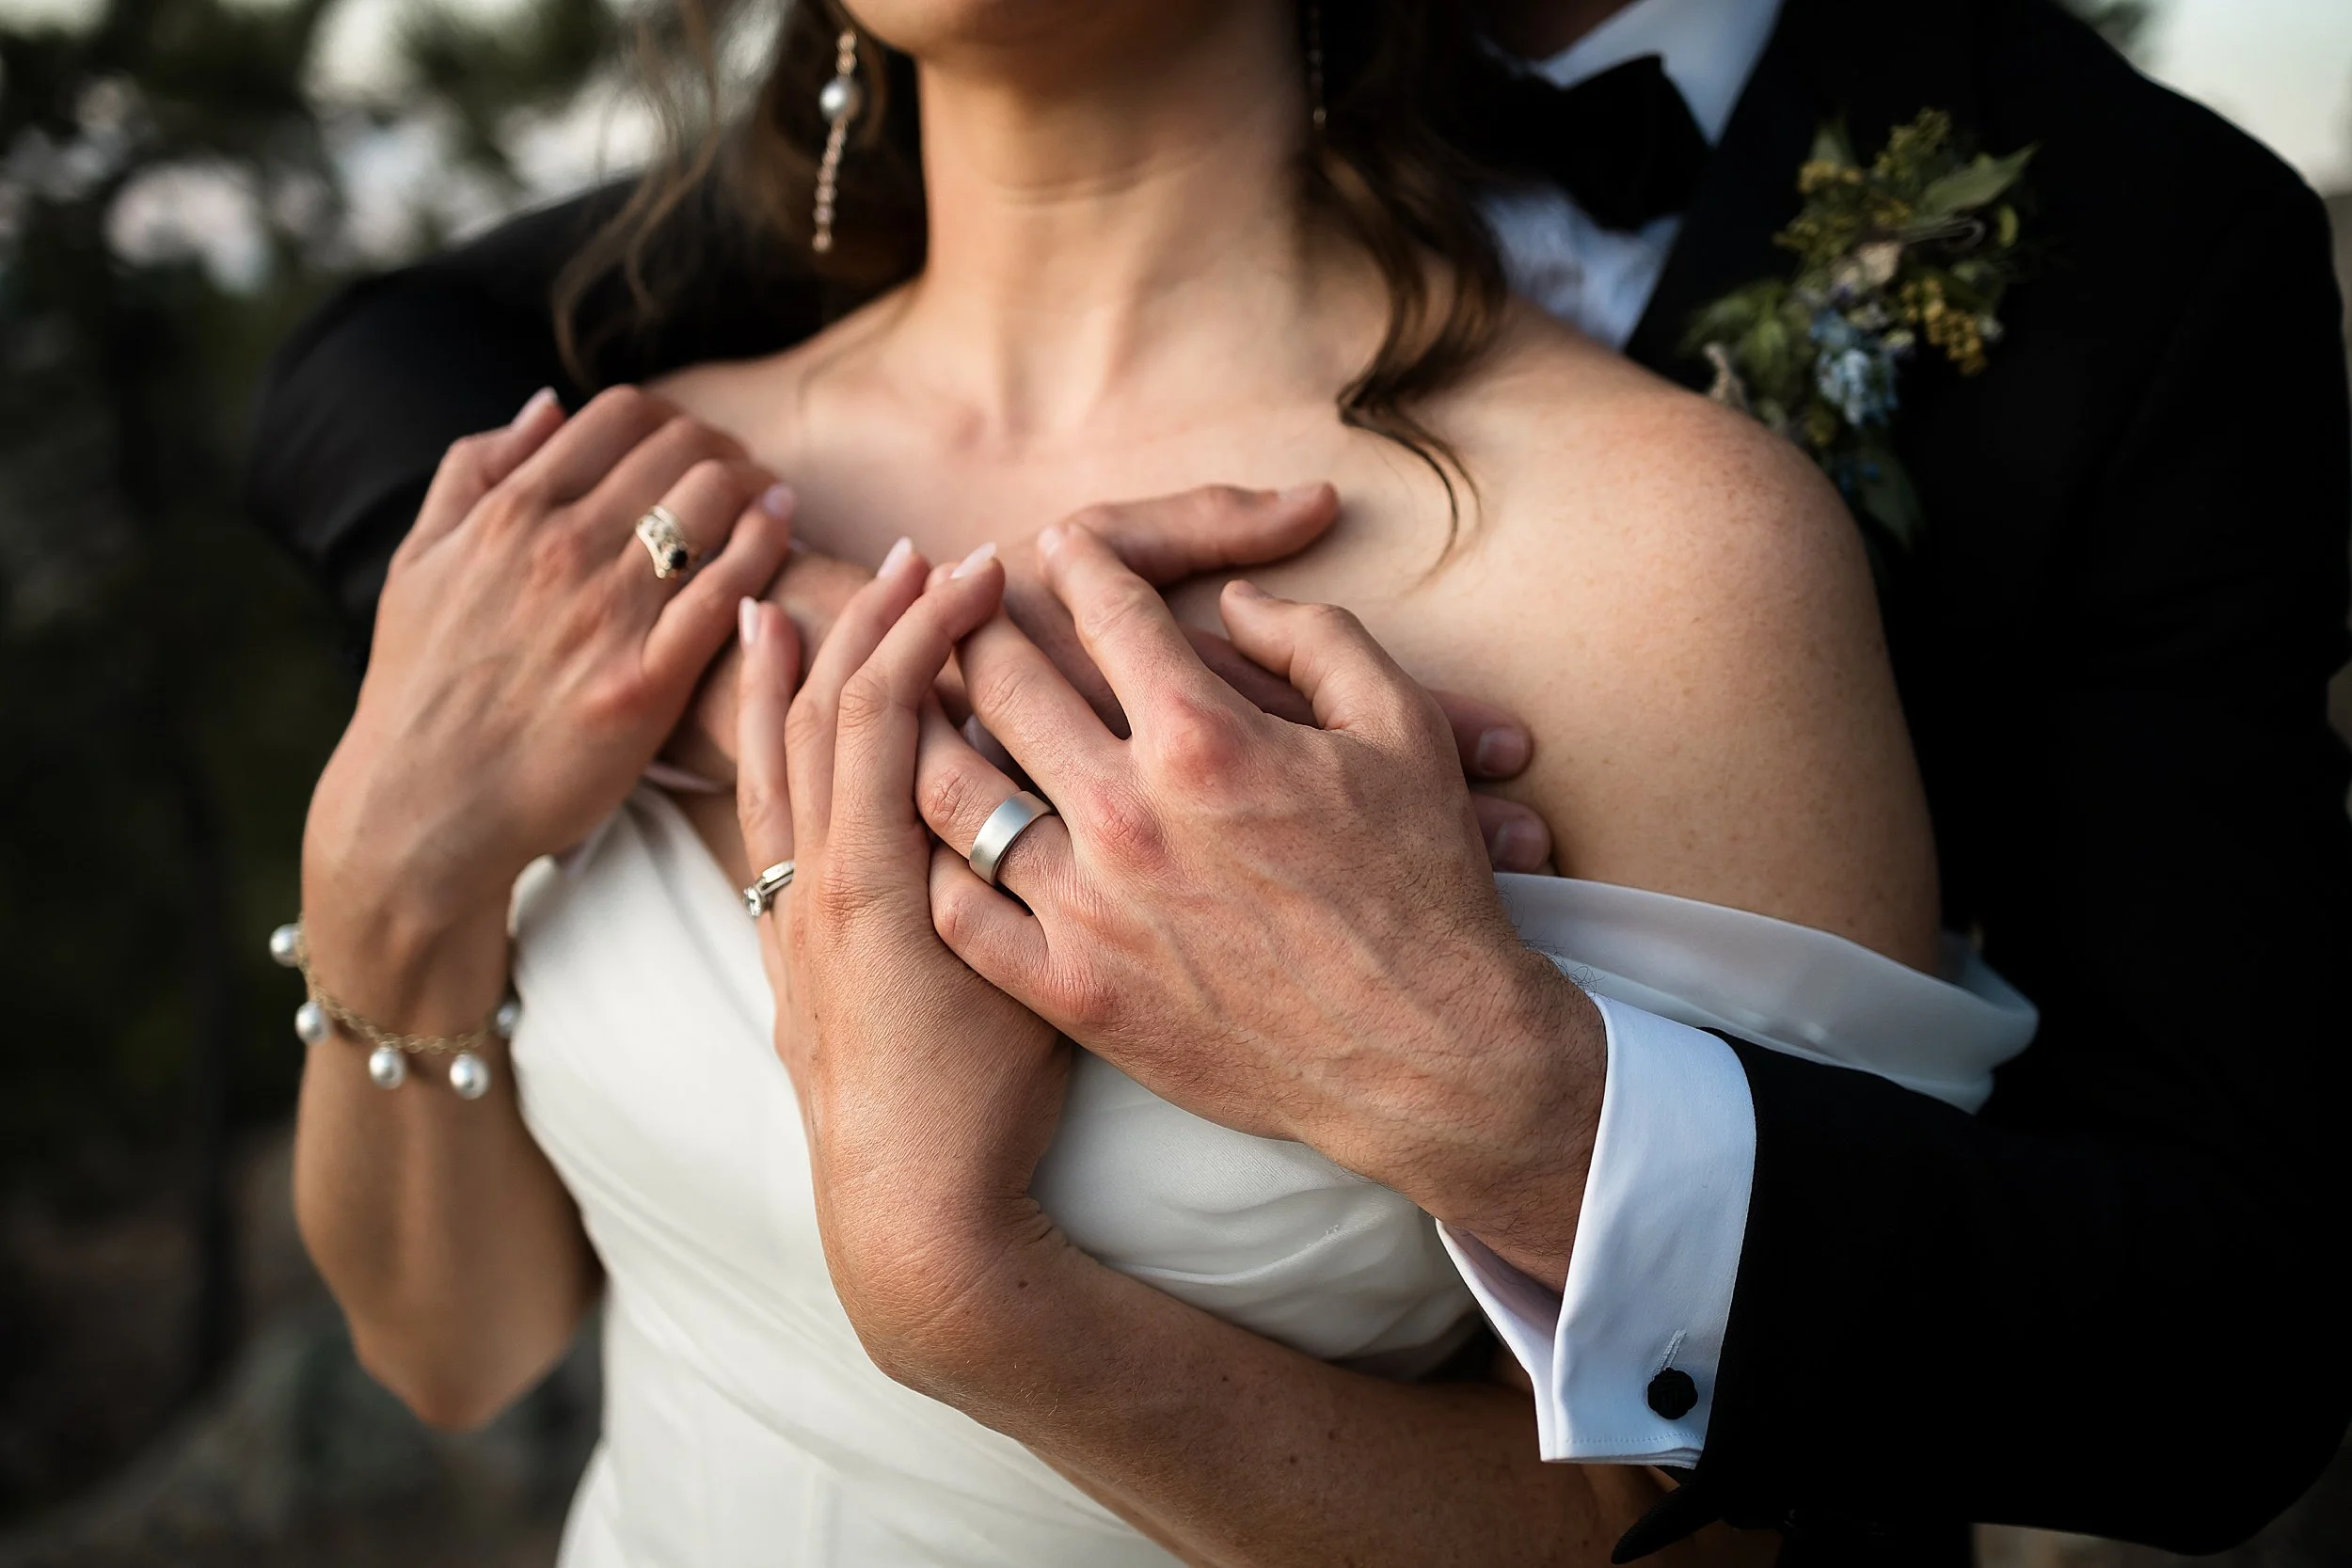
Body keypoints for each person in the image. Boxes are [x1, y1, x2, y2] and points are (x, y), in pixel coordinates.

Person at [250, 2, 2352, 1565]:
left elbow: (1950, 1440)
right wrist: (388, 890)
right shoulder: (621, 480)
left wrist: (975, 1295)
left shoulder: (1678, 555)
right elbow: (456, 1351)